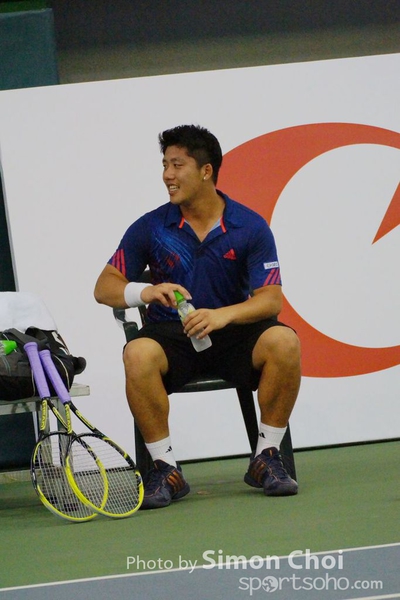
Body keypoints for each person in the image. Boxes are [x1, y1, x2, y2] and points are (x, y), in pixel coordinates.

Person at [94, 124, 301, 510]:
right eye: (164, 165)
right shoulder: (151, 227)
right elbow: (104, 287)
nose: (167, 175)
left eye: (177, 165)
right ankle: (165, 468)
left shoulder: (249, 226)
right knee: (137, 353)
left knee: (284, 341)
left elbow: (270, 300)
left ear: (206, 171)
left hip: (233, 335)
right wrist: (145, 291)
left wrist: (223, 316)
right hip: (171, 336)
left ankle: (267, 456)